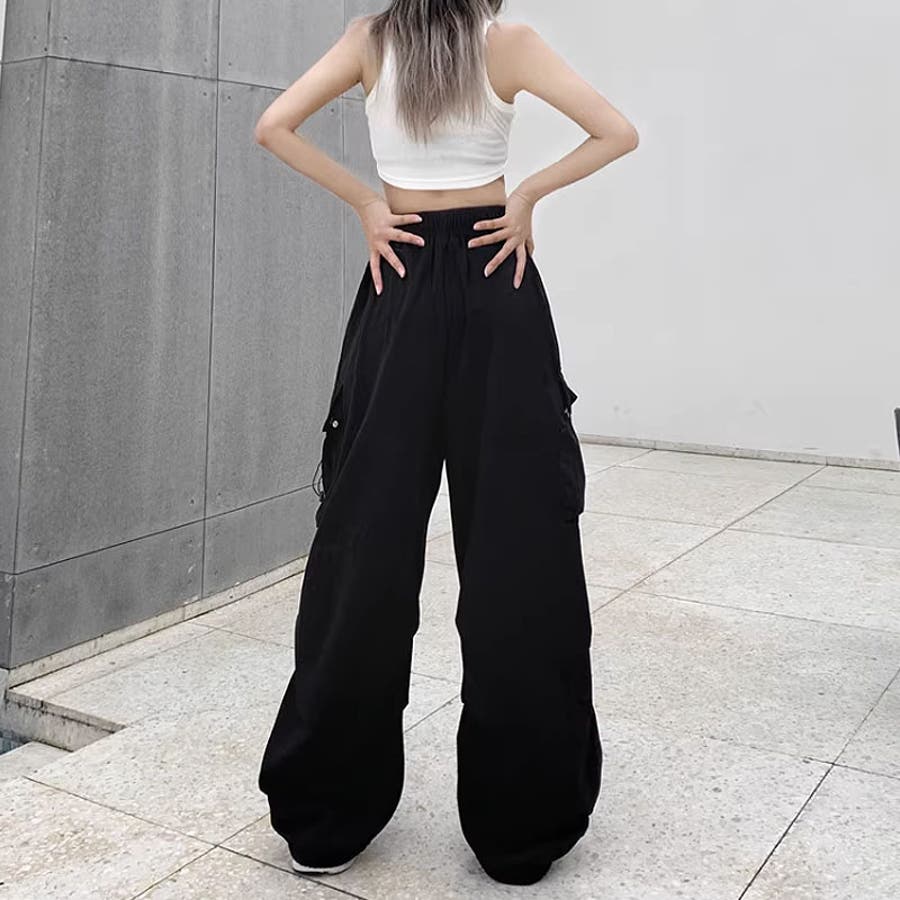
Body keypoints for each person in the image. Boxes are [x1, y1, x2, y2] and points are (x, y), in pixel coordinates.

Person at [253, 0, 638, 887]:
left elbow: (274, 125)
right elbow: (617, 132)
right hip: (497, 278)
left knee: (364, 543)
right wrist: (526, 194)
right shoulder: (508, 42)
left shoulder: (370, 38)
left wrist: (367, 202)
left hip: (400, 280)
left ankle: (325, 817)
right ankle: (522, 829)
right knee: (520, 548)